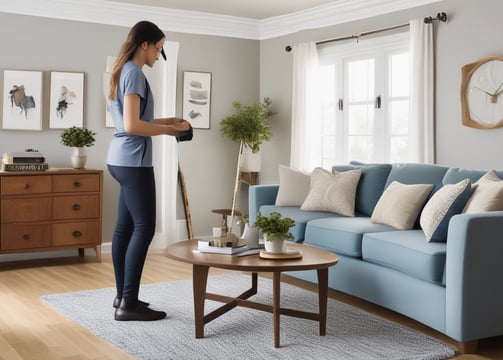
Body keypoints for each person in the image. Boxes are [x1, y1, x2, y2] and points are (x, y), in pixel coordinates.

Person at [107, 20, 191, 321]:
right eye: (158, 49)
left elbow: (137, 119)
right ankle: (129, 303)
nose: (158, 56)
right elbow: (133, 126)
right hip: (134, 163)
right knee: (144, 229)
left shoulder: (123, 72)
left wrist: (172, 121)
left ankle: (123, 297)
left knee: (124, 228)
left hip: (119, 160)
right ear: (145, 45)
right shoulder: (134, 74)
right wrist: (170, 132)